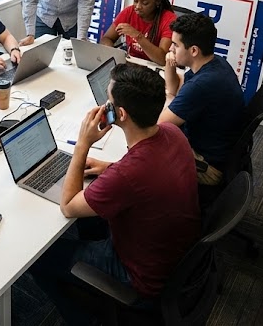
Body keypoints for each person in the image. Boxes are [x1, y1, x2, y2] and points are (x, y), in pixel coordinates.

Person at [29, 63, 201, 325]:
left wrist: (83, 145)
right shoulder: (172, 133)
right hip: (173, 255)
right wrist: (108, 167)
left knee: (39, 259)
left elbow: (67, 206)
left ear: (120, 114)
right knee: (91, 216)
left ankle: (82, 318)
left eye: (107, 103)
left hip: (141, 277)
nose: (103, 108)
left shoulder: (128, 174)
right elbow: (146, 174)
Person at [159, 12, 245, 186]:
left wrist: (169, 97)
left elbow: (160, 124)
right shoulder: (215, 63)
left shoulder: (202, 85)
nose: (170, 48)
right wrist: (170, 64)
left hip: (207, 168)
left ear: (193, 50)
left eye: (175, 44)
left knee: (143, 145)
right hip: (217, 151)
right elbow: (175, 86)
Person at [99, 0, 176, 65]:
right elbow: (107, 38)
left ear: (157, 1)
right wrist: (112, 54)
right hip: (130, 64)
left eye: (145, 3)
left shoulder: (169, 19)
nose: (138, 6)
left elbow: (163, 59)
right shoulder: (129, 11)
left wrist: (138, 36)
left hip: (154, 69)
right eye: (135, 0)